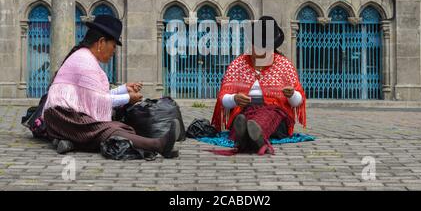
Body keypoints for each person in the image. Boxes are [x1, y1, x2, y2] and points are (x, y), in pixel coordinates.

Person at [42, 15, 179, 158]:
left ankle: (71, 142)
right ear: (101, 42)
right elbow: (97, 100)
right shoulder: (84, 61)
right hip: (63, 117)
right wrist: (127, 98)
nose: (114, 52)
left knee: (119, 128)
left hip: (65, 117)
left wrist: (123, 89)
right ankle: (158, 145)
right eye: (113, 46)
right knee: (109, 130)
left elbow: (97, 94)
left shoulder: (85, 57)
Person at [211, 16, 306, 155]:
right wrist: (234, 99)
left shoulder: (284, 65)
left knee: (269, 114)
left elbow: (298, 100)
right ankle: (251, 136)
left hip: (275, 115)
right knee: (241, 119)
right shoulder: (238, 64)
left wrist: (292, 95)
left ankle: (251, 134)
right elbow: (223, 99)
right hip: (244, 110)